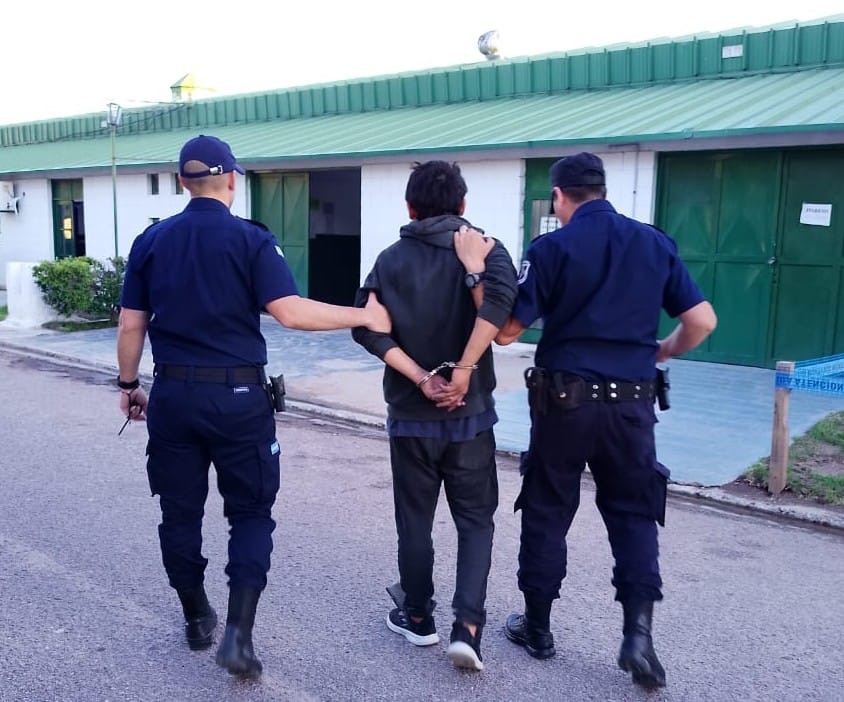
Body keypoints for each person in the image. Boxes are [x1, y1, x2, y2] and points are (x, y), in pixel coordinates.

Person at [116, 134, 390, 679]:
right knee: (250, 513)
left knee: (179, 513)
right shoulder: (251, 239)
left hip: (173, 395)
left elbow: (130, 324)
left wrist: (128, 384)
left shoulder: (152, 240)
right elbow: (290, 312)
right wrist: (363, 315)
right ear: (232, 180)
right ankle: (237, 637)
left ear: (182, 182)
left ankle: (196, 617)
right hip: (239, 398)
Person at [454, 152, 717, 689]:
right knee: (635, 514)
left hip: (564, 403)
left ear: (559, 196)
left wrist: (476, 272)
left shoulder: (551, 248)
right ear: (602, 190)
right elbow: (702, 320)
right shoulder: (654, 242)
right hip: (632, 405)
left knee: (548, 508)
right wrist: (662, 350)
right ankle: (638, 636)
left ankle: (538, 628)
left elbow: (506, 332)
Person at [351, 160, 517, 671]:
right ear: (463, 204)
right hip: (471, 418)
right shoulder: (487, 249)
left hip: (411, 418)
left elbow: (367, 328)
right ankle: (468, 628)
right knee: (476, 522)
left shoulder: (389, 260)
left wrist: (422, 378)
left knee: (415, 520)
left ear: (410, 207)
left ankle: (418, 616)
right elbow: (503, 316)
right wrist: (462, 372)